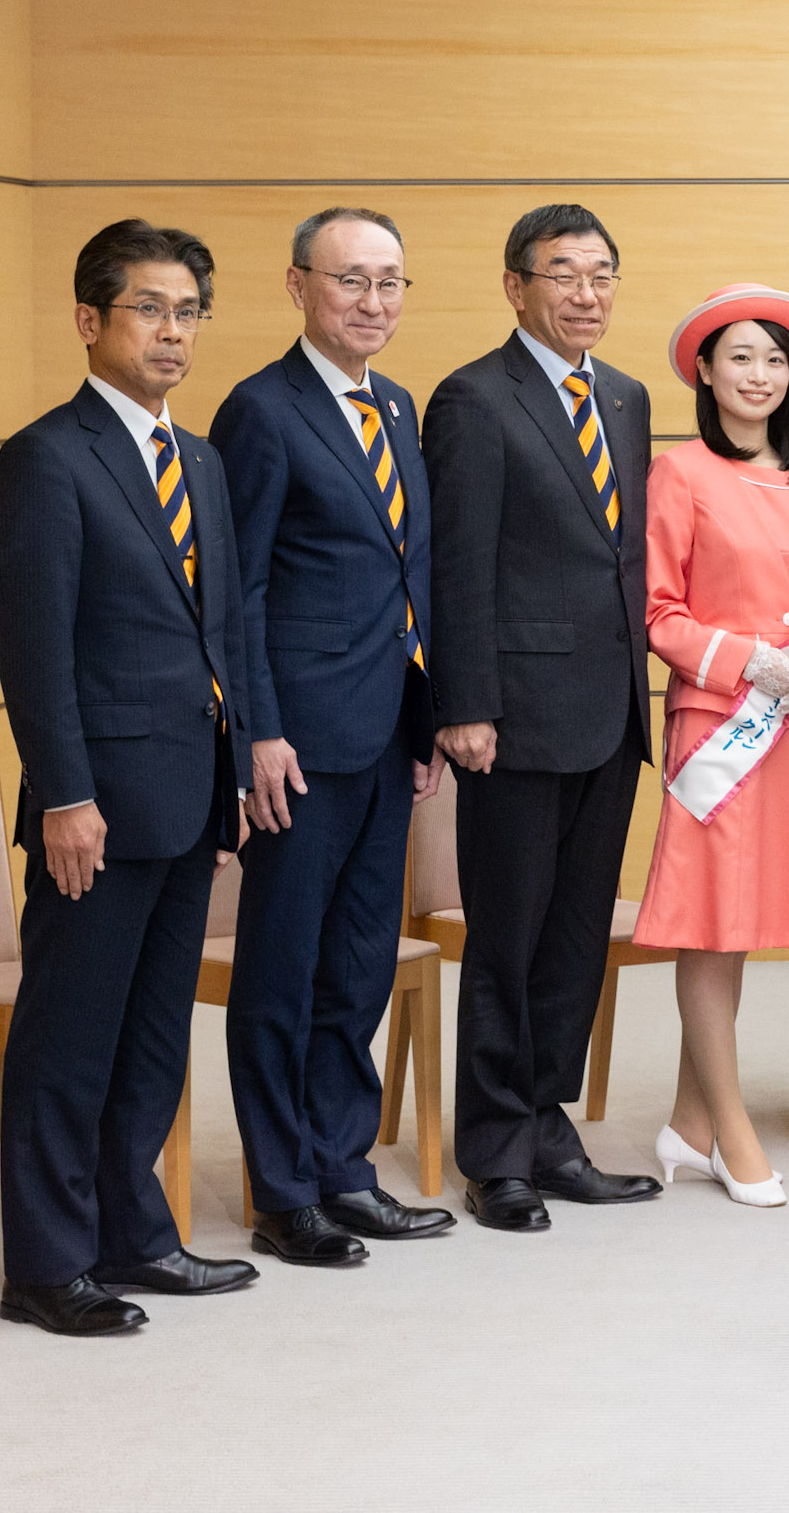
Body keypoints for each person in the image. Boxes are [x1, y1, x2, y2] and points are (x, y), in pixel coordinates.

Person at [0, 219, 257, 1334]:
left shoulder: (195, 457)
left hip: (189, 797)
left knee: (151, 1036)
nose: (172, 331)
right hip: (94, 805)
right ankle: (46, 1268)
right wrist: (63, 794)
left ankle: (132, 1234)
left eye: (187, 310)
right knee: (69, 1036)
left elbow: (223, 630)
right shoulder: (48, 457)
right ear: (91, 320)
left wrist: (235, 767)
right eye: (148, 308)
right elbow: (36, 644)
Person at [207, 208, 455, 1269]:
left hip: (383, 729)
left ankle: (344, 1168)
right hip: (297, 743)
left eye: (390, 282)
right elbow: (240, 590)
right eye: (351, 281)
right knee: (283, 964)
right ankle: (283, 1190)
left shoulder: (395, 406)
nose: (373, 302)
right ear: (300, 286)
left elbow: (410, 576)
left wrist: (428, 710)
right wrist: (255, 731)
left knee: (354, 966)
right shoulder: (260, 411)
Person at [423, 204, 660, 1231]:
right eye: (561, 273)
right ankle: (493, 1149)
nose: (586, 293)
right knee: (507, 938)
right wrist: (463, 701)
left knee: (573, 940)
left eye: (601, 273)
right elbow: (457, 562)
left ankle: (549, 1126)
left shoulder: (626, 396)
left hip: (609, 712)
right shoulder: (474, 399)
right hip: (512, 716)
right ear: (515, 287)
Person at [633, 285, 789, 1210]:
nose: (758, 376)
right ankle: (728, 1130)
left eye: (774, 360)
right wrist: (749, 662)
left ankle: (688, 1123)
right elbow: (656, 612)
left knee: (758, 927)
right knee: (713, 929)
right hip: (720, 732)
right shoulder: (681, 474)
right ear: (706, 373)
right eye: (740, 359)